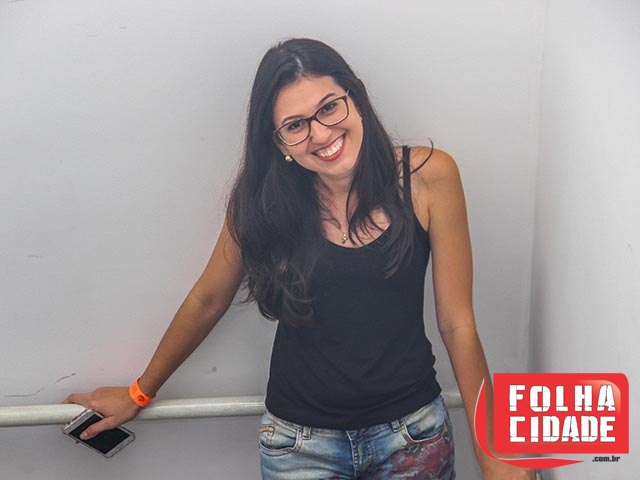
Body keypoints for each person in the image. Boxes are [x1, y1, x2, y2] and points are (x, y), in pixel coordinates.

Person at [64, 38, 534, 479]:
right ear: (279, 142)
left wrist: (493, 451)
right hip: (299, 446)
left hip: (413, 435)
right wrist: (139, 392)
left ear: (356, 96)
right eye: (295, 125)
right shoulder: (260, 203)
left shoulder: (428, 177)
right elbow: (208, 299)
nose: (322, 133)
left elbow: (457, 323)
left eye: (329, 107)